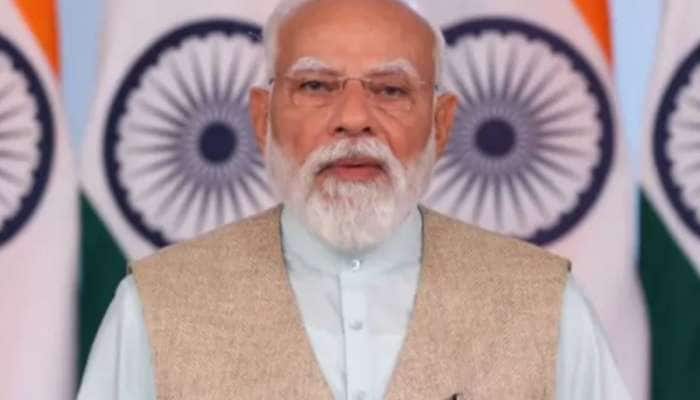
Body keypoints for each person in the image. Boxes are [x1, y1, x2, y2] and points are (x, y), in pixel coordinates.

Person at [77, 0, 632, 399]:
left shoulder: (546, 307)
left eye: (390, 90)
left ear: (441, 124)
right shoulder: (155, 308)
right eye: (316, 86)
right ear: (262, 117)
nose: (353, 118)